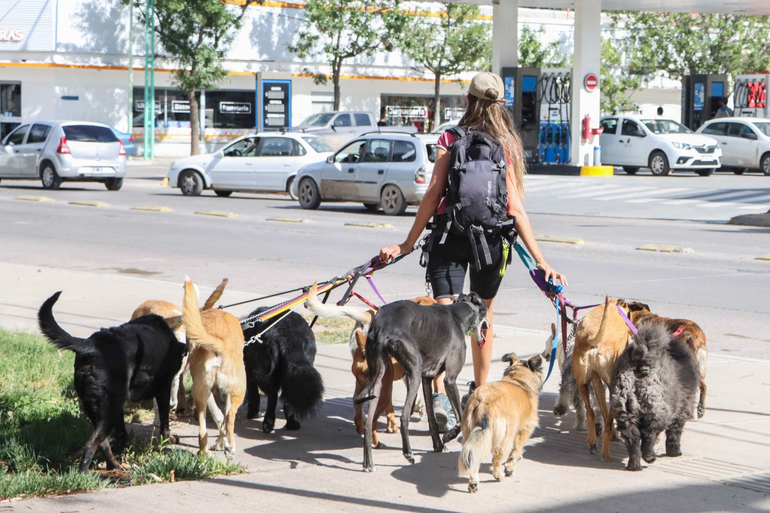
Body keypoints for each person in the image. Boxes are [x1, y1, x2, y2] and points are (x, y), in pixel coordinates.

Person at [379, 72, 567, 431]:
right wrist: (542, 262)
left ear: (467, 101)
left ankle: (439, 398)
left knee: (442, 322)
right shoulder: (506, 143)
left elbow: (433, 194)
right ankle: (481, 397)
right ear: (500, 106)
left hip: (449, 238)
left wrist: (406, 244)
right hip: (492, 244)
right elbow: (516, 208)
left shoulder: (451, 137)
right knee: (483, 319)